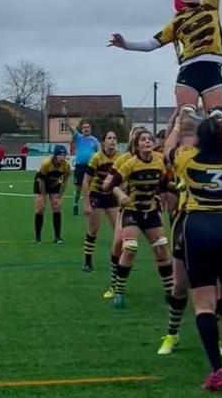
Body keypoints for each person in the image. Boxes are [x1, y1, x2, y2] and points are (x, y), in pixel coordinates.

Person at [172, 112, 222, 390]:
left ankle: (217, 371)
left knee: (204, 303)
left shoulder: (186, 159)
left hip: (199, 226)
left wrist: (178, 123)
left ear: (198, 139)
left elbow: (168, 149)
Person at [103, 129, 171, 309]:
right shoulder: (127, 161)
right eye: (143, 139)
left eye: (150, 139)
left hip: (149, 210)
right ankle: (117, 289)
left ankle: (170, 291)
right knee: (126, 246)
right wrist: (120, 195)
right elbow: (109, 185)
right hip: (130, 210)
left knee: (162, 246)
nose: (147, 142)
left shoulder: (159, 160)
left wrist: (174, 189)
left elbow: (164, 183)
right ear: (136, 142)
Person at [81, 131, 122, 273]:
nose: (112, 141)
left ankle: (122, 261)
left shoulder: (120, 157)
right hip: (96, 194)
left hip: (111, 195)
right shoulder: (97, 157)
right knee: (93, 229)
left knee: (119, 230)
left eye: (114, 138)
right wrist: (87, 203)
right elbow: (86, 181)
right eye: (109, 138)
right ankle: (87, 261)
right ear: (104, 142)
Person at [63, 109, 101, 216]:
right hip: (80, 166)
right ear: (82, 129)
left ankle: (90, 206)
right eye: (84, 128)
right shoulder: (78, 138)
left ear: (90, 129)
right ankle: (75, 204)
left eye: (88, 127)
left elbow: (100, 153)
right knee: (78, 188)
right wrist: (65, 115)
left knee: (91, 188)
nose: (86, 129)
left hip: (90, 167)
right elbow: (70, 127)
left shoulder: (94, 140)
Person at [33, 145, 71, 244]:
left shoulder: (66, 166)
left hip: (54, 183)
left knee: (57, 207)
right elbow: (41, 180)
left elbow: (65, 182)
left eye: (64, 155)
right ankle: (38, 236)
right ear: (55, 155)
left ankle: (57, 236)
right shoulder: (46, 163)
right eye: (60, 155)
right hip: (41, 182)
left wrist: (60, 196)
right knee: (40, 208)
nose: (62, 158)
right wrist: (43, 196)